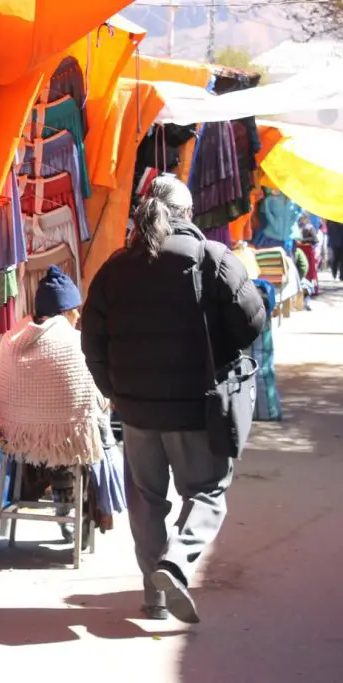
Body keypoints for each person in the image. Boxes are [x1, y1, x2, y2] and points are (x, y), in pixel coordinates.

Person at [81, 176, 264, 624]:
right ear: (187, 213)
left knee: (146, 502)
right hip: (196, 409)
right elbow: (251, 323)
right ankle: (176, 564)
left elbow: (92, 341)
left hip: (138, 412)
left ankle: (155, 596)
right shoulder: (213, 260)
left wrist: (116, 390)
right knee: (206, 492)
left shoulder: (115, 267)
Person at [0, 265, 105, 546]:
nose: (78, 316)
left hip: (15, 438)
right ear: (66, 311)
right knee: (94, 444)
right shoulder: (75, 342)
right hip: (67, 441)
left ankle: (59, 500)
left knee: (47, 446)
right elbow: (92, 396)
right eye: (75, 310)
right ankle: (80, 510)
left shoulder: (12, 338)